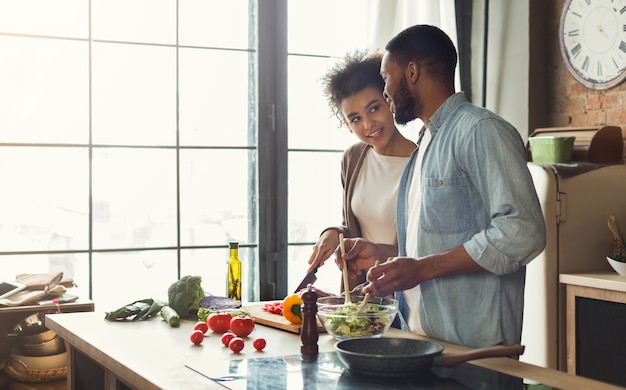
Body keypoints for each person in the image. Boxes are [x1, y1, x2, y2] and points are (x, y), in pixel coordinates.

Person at [338, 25, 546, 348]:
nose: (386, 90)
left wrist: (421, 268)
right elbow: (437, 247)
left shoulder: (480, 130)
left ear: (411, 72)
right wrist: (383, 254)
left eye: (387, 78)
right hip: (421, 344)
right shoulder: (425, 146)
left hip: (473, 355)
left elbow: (523, 230)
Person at [305, 50, 416, 295]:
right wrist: (334, 233)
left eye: (374, 108)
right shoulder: (353, 158)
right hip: (364, 301)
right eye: (355, 118)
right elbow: (355, 226)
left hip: (409, 299)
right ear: (346, 124)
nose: (368, 125)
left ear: (390, 100)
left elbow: (424, 250)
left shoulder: (421, 163)